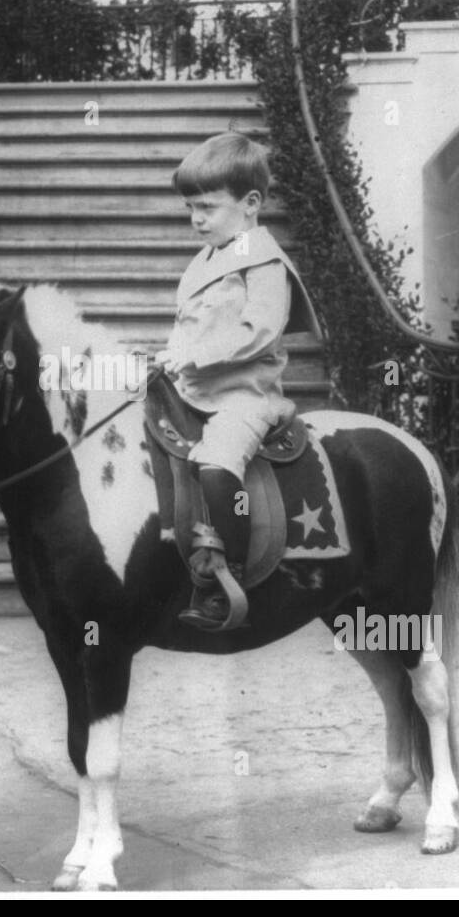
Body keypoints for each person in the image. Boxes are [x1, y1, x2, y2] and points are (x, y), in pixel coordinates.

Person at [155, 133, 317, 629]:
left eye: (206, 207)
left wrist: (195, 358)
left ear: (251, 204)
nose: (196, 219)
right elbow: (186, 328)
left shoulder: (264, 262)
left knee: (215, 462)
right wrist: (166, 357)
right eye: (189, 208)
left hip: (243, 398)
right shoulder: (206, 259)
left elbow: (259, 331)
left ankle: (233, 576)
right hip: (193, 391)